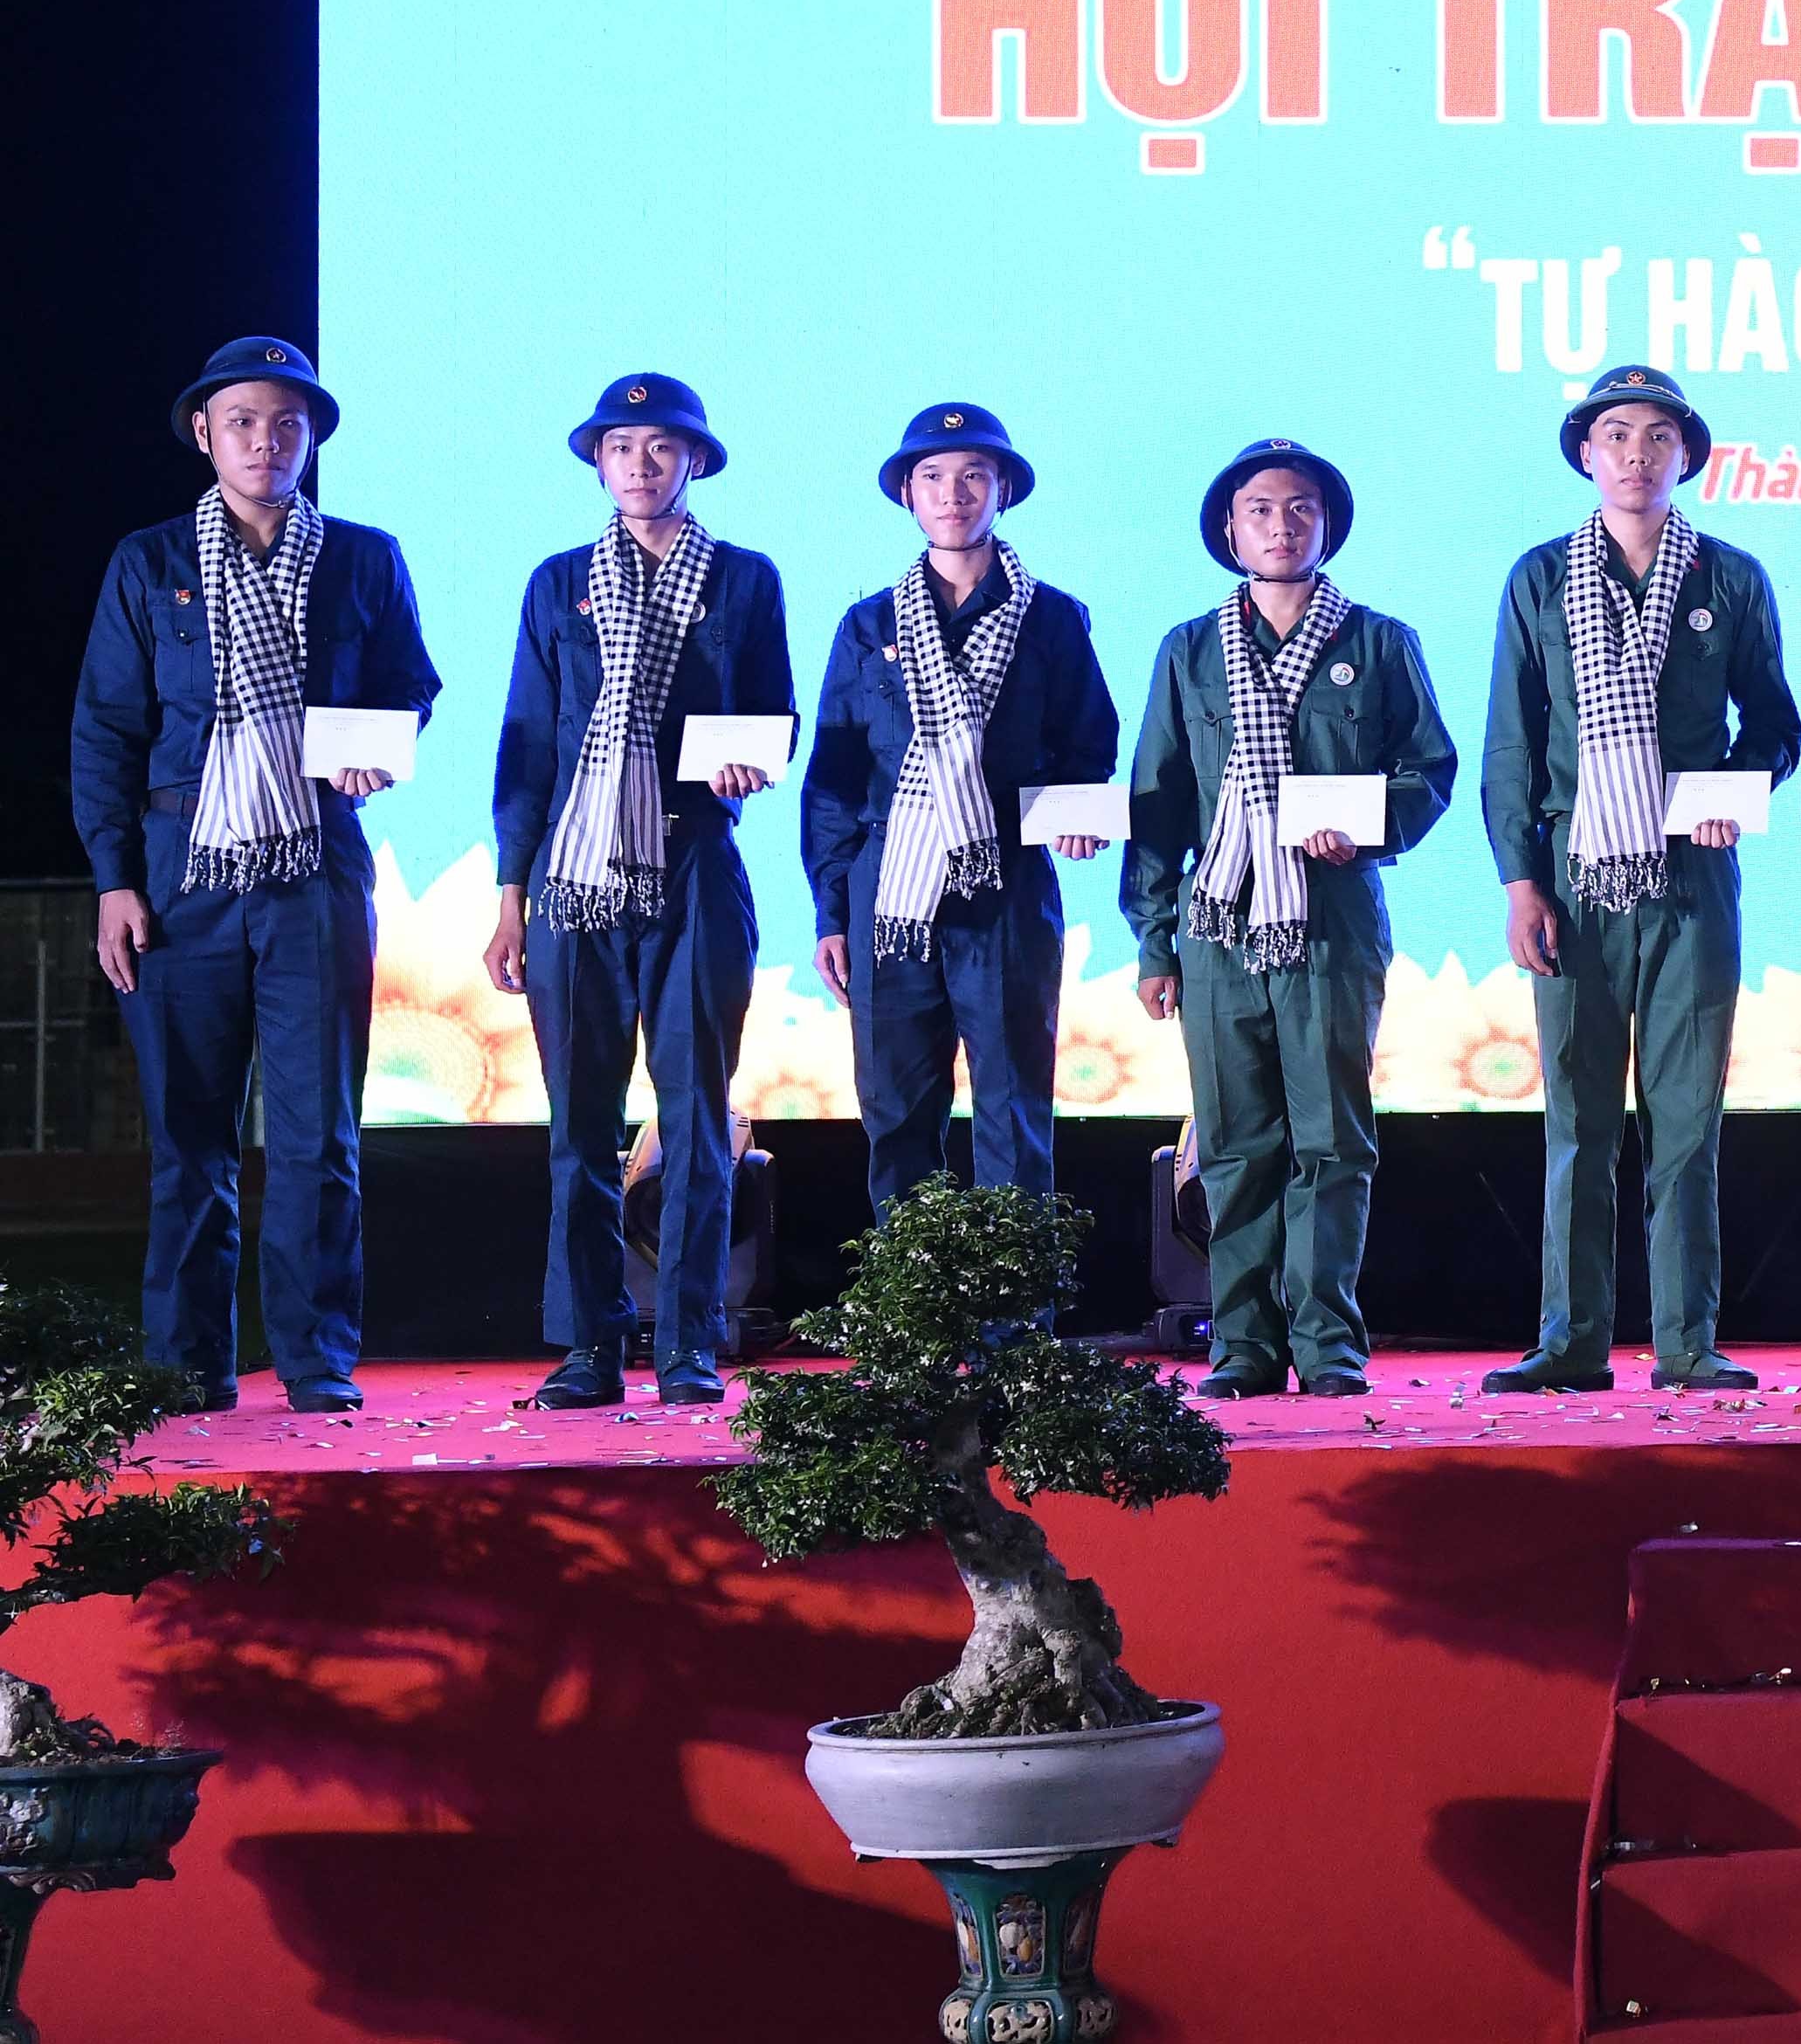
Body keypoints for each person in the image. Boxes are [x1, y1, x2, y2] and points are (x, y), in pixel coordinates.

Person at [71, 336, 438, 1413]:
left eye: (287, 422)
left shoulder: (363, 557)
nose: (264, 440)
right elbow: (105, 729)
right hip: (179, 870)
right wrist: (113, 879)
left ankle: (316, 1361)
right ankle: (186, 1363)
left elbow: (411, 686)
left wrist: (383, 744)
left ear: (312, 437)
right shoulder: (149, 562)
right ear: (204, 432)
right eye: (242, 421)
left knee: (319, 1133)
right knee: (190, 1137)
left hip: (314, 860)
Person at [1477, 365, 1799, 1396]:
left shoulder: (1730, 576)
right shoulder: (1539, 577)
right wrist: (1521, 883)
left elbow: (1776, 724)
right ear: (1586, 453)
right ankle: (1571, 1342)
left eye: (1659, 437)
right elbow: (1511, 744)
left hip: (1693, 873)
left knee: (1687, 1120)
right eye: (1616, 435)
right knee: (1577, 1121)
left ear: (1686, 456)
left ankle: (1686, 1342)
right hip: (1574, 875)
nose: (1636, 455)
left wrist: (1738, 785)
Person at [1123, 439, 1457, 1401]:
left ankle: (1328, 1343)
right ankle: (1244, 1345)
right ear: (1230, 531)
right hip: (1219, 925)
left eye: (1301, 507)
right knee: (1235, 1146)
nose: (1281, 525)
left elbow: (1429, 770)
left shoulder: (1380, 641)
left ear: (1327, 525)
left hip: (1332, 921)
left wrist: (1367, 827)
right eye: (1260, 509)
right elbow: (1158, 800)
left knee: (1333, 1141)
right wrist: (1154, 939)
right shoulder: (1189, 649)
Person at [491, 374, 795, 1411]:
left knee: (697, 1117)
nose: (640, 464)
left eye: (661, 446)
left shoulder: (744, 579)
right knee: (579, 1122)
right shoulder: (558, 582)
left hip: (694, 859)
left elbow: (774, 716)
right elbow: (528, 745)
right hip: (572, 876)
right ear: (598, 462)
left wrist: (751, 764)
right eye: (620, 447)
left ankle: (688, 1340)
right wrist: (510, 894)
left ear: (694, 459)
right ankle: (589, 1343)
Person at [798, 404, 1121, 1216]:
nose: (953, 493)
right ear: (908, 494)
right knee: (896, 1114)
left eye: (974, 475)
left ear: (1002, 489)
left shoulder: (1052, 617)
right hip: (889, 888)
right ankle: (912, 1295)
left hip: (1006, 879)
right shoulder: (868, 623)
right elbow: (834, 776)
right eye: (934, 477)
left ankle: (1019, 1299)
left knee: (1013, 1106)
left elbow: (1089, 742)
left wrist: (1076, 813)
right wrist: (831, 911)